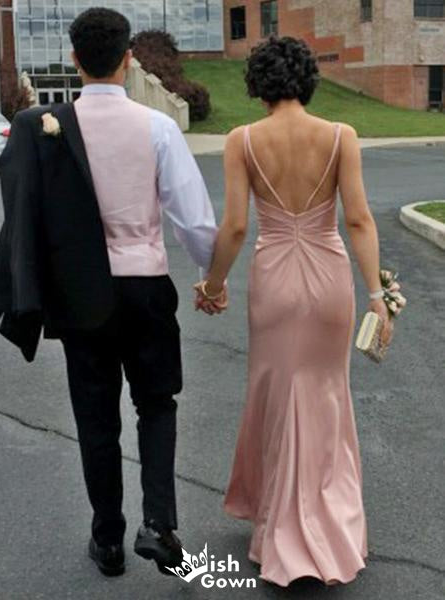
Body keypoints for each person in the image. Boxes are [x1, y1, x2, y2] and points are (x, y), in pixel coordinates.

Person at [0, 8, 217, 578]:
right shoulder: (157, 127)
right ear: (127, 58)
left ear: (74, 59)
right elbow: (193, 219)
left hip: (80, 292)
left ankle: (109, 540)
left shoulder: (50, 127)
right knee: (157, 403)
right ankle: (158, 523)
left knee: (96, 420)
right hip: (145, 287)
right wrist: (208, 275)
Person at [195, 36, 392, 587]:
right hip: (329, 278)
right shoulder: (341, 135)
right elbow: (359, 220)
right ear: (307, 80)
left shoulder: (242, 140)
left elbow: (235, 225)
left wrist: (212, 284)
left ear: (258, 84)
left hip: (275, 279)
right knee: (327, 396)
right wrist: (377, 295)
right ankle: (331, 524)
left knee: (277, 394)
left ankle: (280, 524)